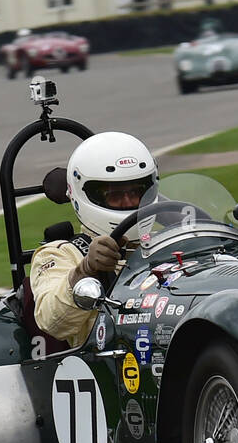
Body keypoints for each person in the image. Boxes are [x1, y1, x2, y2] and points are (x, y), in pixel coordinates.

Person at [30, 132, 159, 348]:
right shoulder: (59, 253)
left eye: (136, 192)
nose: (128, 202)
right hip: (109, 360)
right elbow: (51, 322)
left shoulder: (164, 243)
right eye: (115, 195)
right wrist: (86, 269)